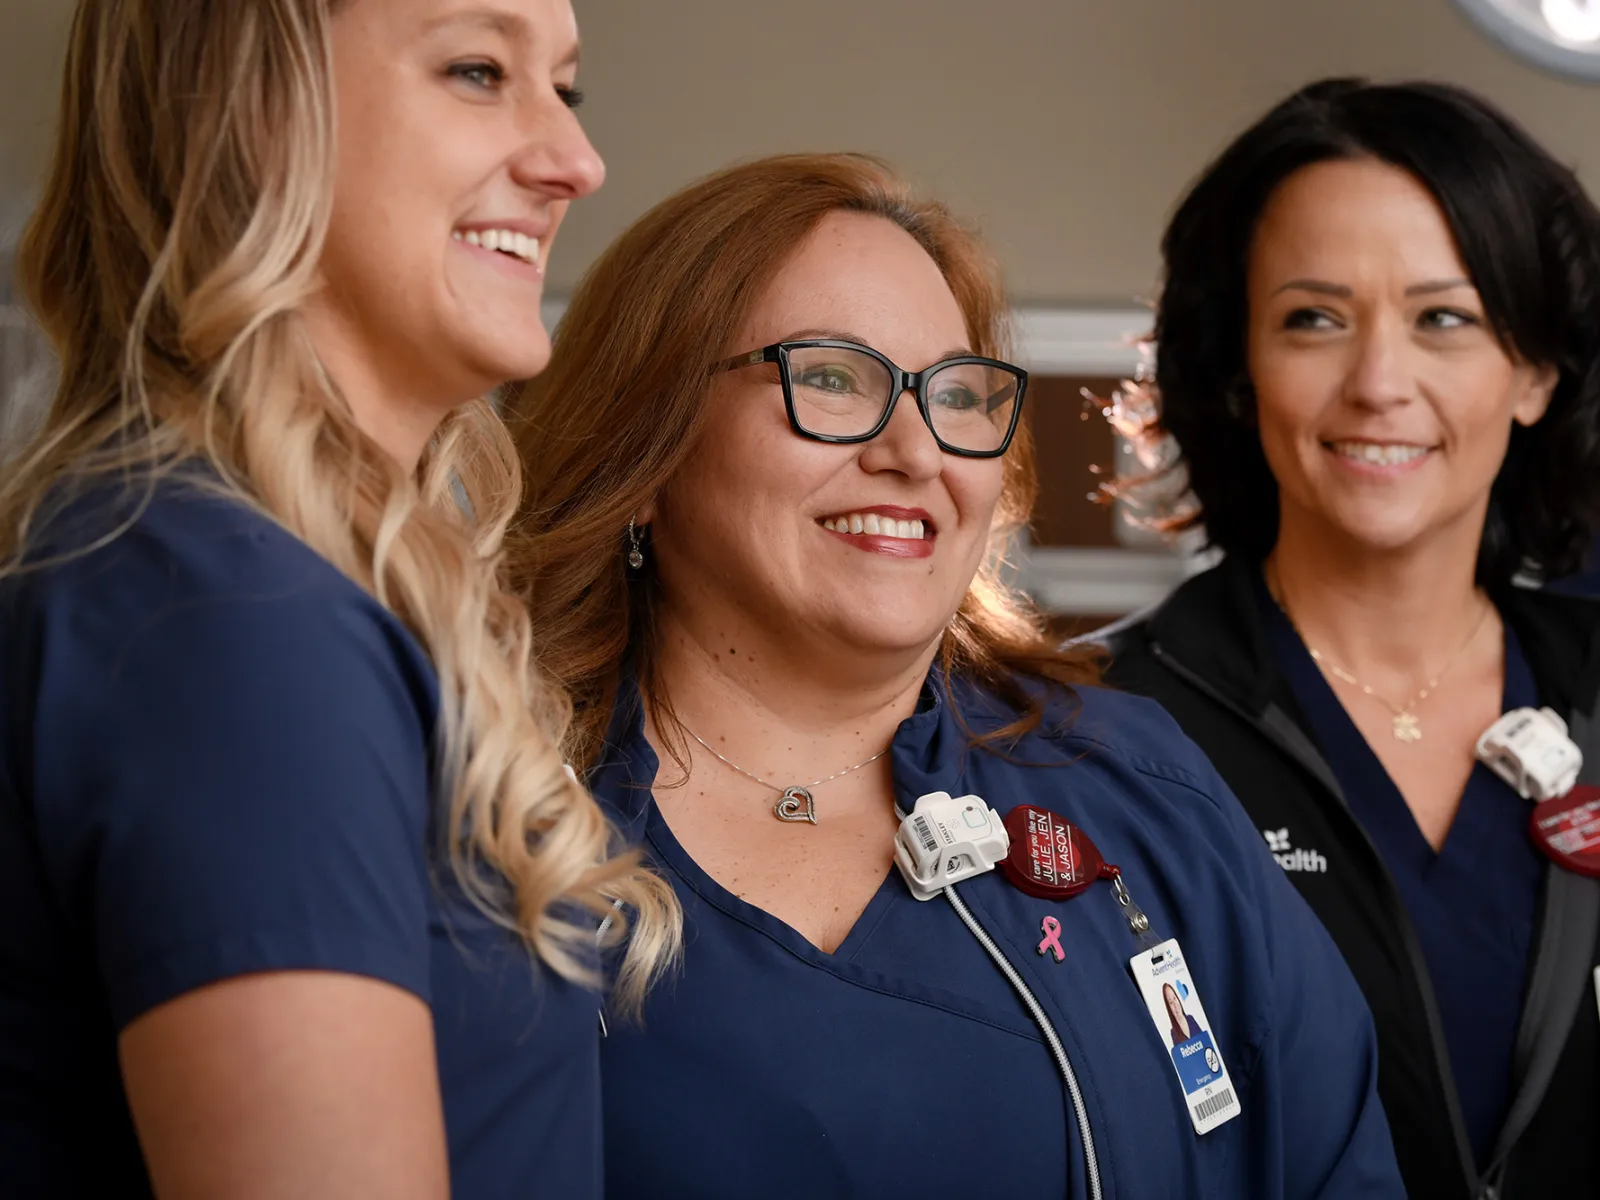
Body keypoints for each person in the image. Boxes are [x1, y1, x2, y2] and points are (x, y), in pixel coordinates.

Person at [505, 152, 1404, 1198]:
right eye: (831, 376)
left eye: (954, 394)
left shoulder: (1138, 792)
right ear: (645, 450)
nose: (913, 448)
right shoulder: (492, 829)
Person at [0, 2, 677, 1197]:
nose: (575, 160)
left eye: (563, 90)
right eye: (478, 71)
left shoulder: (273, 588)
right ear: (250, 116)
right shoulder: (221, 617)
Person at [1100, 78, 1600, 1200]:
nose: (1378, 382)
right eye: (1313, 318)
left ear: (1532, 372)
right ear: (1237, 370)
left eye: (1444, 318)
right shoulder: (1100, 734)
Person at [1164, 982, 1203, 1046]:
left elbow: (1205, 1041)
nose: (1175, 1004)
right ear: (1169, 1008)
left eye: (1174, 998)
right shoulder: (1173, 1033)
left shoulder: (1190, 1019)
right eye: (1171, 1002)